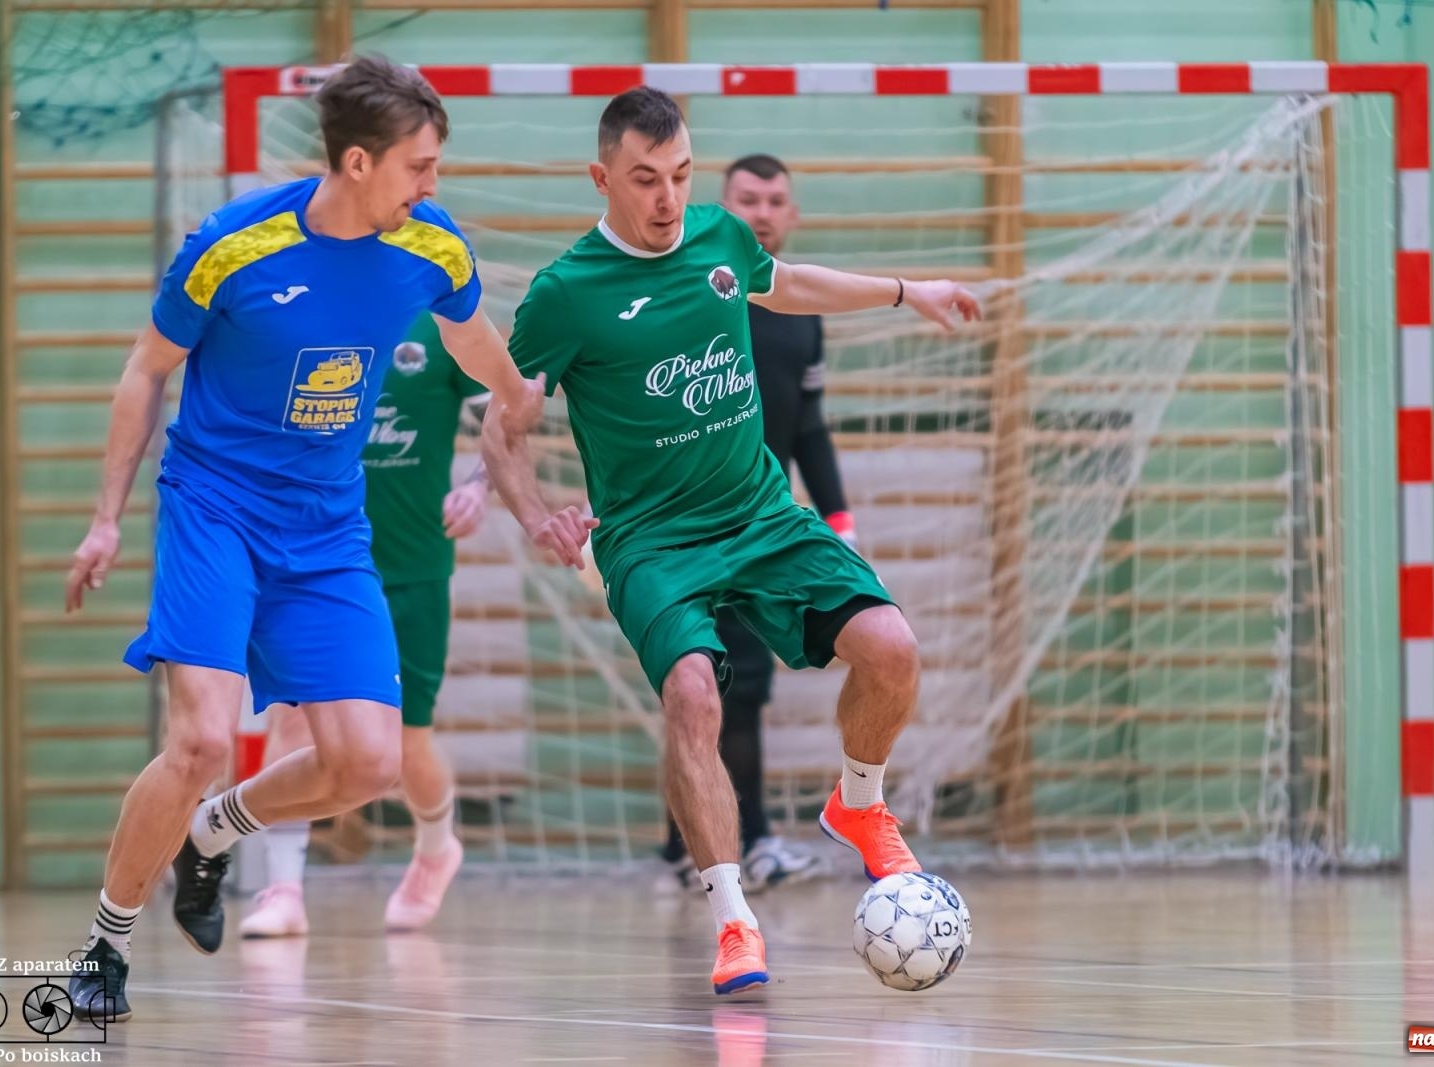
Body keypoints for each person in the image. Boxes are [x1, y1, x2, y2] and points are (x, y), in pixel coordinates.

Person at [61, 55, 547, 1022]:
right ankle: (104, 945)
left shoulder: (433, 247)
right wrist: (108, 515)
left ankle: (213, 834)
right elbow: (145, 369)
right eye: (420, 165)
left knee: (367, 762)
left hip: (327, 526)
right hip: (216, 507)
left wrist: (521, 392)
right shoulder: (234, 246)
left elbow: (474, 342)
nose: (433, 185)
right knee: (201, 735)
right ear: (359, 163)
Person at [481, 87, 980, 995]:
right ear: (602, 178)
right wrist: (533, 510)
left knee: (893, 650)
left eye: (678, 175)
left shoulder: (718, 239)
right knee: (694, 695)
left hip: (757, 513)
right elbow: (501, 428)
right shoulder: (566, 294)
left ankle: (857, 806)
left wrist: (912, 292)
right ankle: (733, 919)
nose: (667, 198)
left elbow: (787, 286)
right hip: (651, 539)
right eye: (644, 179)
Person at [239, 311, 492, 938]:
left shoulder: (443, 322)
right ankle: (283, 889)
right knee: (293, 719)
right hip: (313, 564)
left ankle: (437, 847)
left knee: (405, 742)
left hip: (411, 566)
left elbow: (506, 416)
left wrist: (482, 485)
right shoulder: (313, 313)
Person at [657, 153, 850, 895]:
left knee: (733, 688)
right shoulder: (696, 294)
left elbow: (809, 427)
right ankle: (736, 843)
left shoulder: (800, 314)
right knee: (704, 687)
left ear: (792, 214)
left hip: (762, 527)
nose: (763, 212)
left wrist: (838, 516)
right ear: (724, 208)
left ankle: (700, 844)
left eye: (776, 200)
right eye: (748, 199)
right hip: (685, 525)